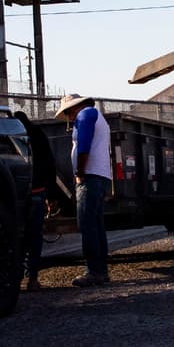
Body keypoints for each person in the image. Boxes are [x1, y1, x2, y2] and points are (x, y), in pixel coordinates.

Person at [54, 93, 112, 287]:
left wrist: (80, 171)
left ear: (73, 108)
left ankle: (94, 271)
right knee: (96, 225)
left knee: (87, 225)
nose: (69, 119)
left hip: (90, 176)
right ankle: (100, 270)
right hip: (100, 176)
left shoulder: (85, 115)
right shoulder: (95, 115)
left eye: (68, 113)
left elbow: (84, 145)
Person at [13, 111, 60, 291]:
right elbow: (49, 165)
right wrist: (52, 196)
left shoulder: (10, 136)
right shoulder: (38, 134)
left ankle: (14, 279)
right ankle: (32, 278)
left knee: (17, 238)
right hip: (37, 192)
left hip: (16, 196)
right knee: (34, 237)